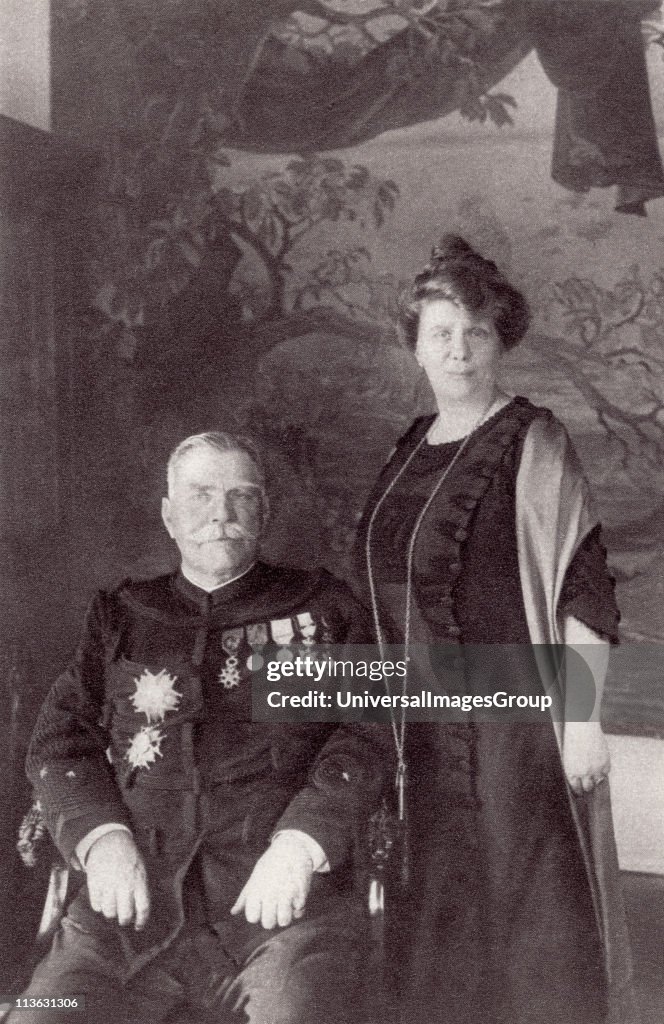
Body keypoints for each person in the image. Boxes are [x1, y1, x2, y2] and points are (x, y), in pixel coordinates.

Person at [354, 237, 638, 1024]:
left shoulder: (532, 439)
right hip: (419, 726)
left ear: (500, 341)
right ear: (414, 343)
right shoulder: (407, 446)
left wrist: (581, 720)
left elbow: (585, 588)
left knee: (529, 926)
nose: (459, 349)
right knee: (439, 931)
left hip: (514, 731)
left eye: (476, 332)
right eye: (441, 332)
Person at [16, 431, 389, 1024]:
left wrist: (301, 844)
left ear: (264, 514)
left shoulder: (325, 610)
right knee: (42, 1012)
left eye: (241, 496)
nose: (221, 513)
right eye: (200, 495)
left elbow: (368, 735)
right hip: (129, 914)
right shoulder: (122, 618)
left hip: (278, 910)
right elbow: (63, 744)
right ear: (168, 515)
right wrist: (103, 838)